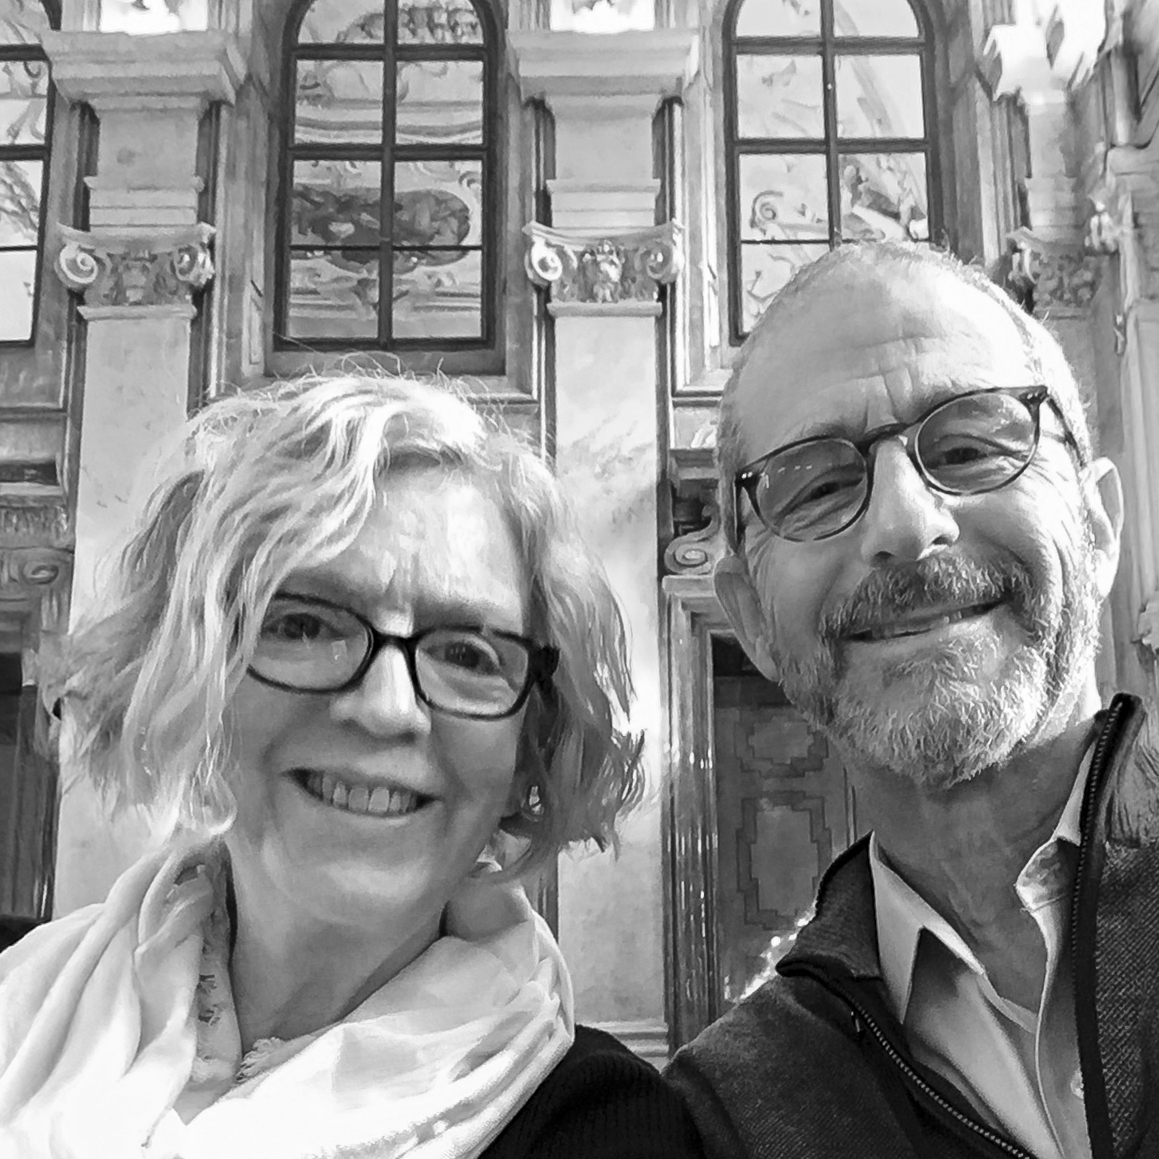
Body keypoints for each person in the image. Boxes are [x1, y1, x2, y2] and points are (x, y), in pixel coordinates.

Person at [0, 374, 705, 1159]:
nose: (388, 707)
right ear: (190, 677)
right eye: (303, 624)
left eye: (468, 653)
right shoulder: (18, 997)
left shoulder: (605, 1129)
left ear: (528, 746)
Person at [664, 241, 1159, 1158]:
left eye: (969, 447)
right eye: (817, 487)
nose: (903, 522)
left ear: (1097, 528)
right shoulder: (728, 1113)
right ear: (753, 620)